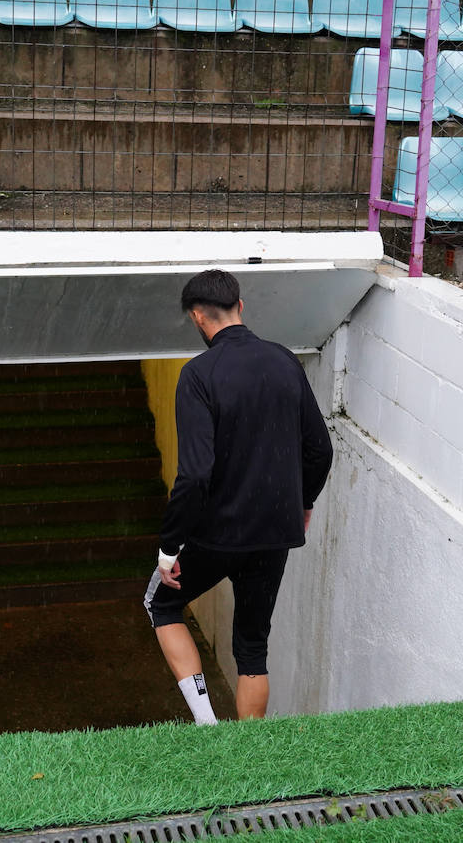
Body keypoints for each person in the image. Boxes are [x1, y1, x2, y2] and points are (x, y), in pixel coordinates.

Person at [143, 269, 334, 724]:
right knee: (252, 644)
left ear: (196, 317)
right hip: (275, 532)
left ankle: (208, 727)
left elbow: (193, 475)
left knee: (161, 603)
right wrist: (303, 503)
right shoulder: (285, 361)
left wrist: (169, 548)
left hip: (217, 533)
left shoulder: (197, 375)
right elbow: (320, 449)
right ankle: (248, 749)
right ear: (240, 307)